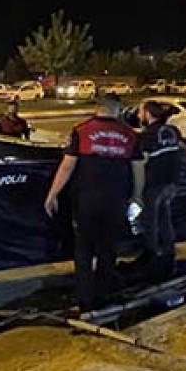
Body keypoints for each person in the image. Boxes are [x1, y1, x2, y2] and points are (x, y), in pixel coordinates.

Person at [44, 96, 145, 310]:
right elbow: (138, 169)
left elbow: (67, 165)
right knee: (108, 249)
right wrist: (137, 197)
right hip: (116, 201)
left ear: (98, 109)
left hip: (86, 201)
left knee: (83, 249)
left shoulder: (82, 130)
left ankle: (85, 297)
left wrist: (52, 194)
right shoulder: (130, 135)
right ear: (117, 110)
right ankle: (103, 293)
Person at [135, 100, 184, 279]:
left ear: (148, 114)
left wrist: (137, 192)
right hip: (171, 183)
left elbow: (142, 162)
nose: (138, 116)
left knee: (151, 222)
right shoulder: (172, 131)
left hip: (154, 184)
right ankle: (169, 255)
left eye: (140, 112)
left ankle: (152, 258)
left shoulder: (148, 135)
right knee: (165, 219)